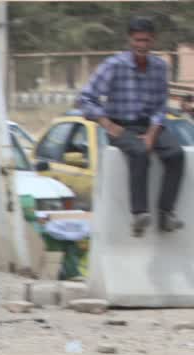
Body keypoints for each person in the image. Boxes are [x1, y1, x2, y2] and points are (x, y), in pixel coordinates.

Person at [77, 15, 184, 236]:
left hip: (148, 124)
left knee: (176, 154)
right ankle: (139, 214)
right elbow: (85, 99)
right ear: (130, 40)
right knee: (139, 152)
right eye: (137, 40)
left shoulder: (159, 67)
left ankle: (166, 213)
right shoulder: (114, 65)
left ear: (153, 40)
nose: (141, 45)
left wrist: (152, 133)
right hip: (120, 125)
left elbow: (160, 106)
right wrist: (107, 123)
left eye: (146, 40)